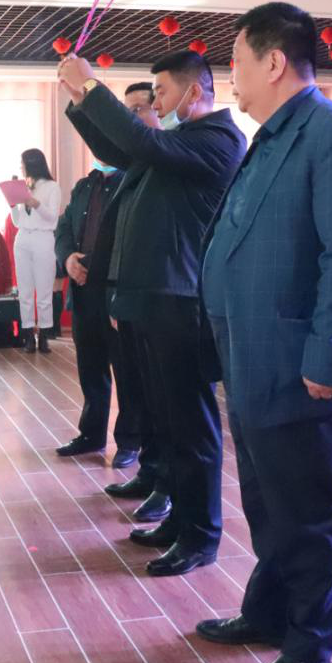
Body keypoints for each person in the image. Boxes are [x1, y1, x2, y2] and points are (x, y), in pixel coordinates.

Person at [196, 2, 332, 663]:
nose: (231, 78)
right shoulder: (271, 137)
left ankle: (309, 641)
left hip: (298, 364)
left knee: (305, 509)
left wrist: (328, 358)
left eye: (236, 62)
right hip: (250, 355)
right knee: (266, 499)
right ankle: (269, 610)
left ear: (274, 62)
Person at [59, 48, 246, 579]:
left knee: (192, 427)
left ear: (194, 91)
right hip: (153, 300)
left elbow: (141, 141)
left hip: (180, 301)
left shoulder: (218, 138)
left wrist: (92, 88)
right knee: (166, 423)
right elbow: (118, 147)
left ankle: (201, 534)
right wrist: (79, 99)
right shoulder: (176, 145)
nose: (156, 103)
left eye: (162, 91)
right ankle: (180, 520)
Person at [87, 82, 171, 523]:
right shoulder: (138, 166)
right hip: (129, 295)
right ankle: (150, 473)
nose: (132, 118)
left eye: (140, 109)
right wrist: (79, 97)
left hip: (165, 299)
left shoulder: (174, 158)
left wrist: (88, 88)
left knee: (165, 404)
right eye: (128, 110)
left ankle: (167, 486)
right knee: (138, 391)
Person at [54, 157, 144, 471]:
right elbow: (64, 228)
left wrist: (94, 268)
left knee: (126, 370)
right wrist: (68, 259)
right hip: (82, 289)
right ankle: (91, 434)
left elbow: (131, 239)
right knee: (90, 368)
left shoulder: (132, 181)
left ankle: (130, 441)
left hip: (114, 290)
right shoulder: (85, 185)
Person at [10, 148, 61, 354]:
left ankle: (45, 335)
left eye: (22, 163)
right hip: (23, 238)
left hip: (43, 238)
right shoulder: (25, 186)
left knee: (44, 290)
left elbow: (52, 218)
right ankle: (28, 335)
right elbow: (17, 221)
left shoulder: (52, 187)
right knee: (25, 291)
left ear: (32, 164)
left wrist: (36, 203)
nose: (21, 167)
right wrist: (12, 205)